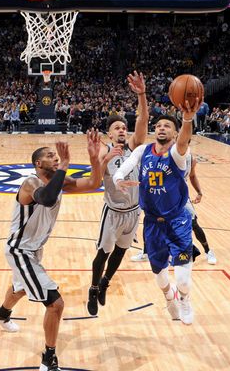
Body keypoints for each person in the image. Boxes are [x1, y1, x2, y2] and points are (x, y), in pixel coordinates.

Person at [0, 130, 103, 371]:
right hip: (20, 251)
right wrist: (66, 165)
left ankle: (1, 313)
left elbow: (93, 183)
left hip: (33, 251)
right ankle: (48, 359)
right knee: (56, 304)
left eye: (56, 155)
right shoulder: (31, 183)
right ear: (38, 163)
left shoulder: (59, 182)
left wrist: (94, 159)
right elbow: (48, 199)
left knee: (21, 288)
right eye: (51, 156)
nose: (56, 158)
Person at [113, 97, 202, 326]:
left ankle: (184, 299)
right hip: (152, 223)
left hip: (177, 221)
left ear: (174, 133)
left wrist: (187, 118)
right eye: (159, 125)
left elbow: (184, 139)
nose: (162, 128)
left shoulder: (177, 154)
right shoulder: (144, 150)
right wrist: (118, 177)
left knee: (182, 278)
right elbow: (129, 162)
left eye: (167, 126)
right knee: (160, 276)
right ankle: (168, 295)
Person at [86, 70, 148, 316]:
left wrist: (141, 94)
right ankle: (93, 287)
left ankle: (105, 283)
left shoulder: (134, 147)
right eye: (117, 128)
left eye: (124, 127)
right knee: (103, 253)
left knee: (121, 252)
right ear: (109, 134)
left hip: (134, 212)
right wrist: (104, 160)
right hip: (112, 212)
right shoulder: (104, 151)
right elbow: (94, 180)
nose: (122, 130)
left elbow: (142, 121)